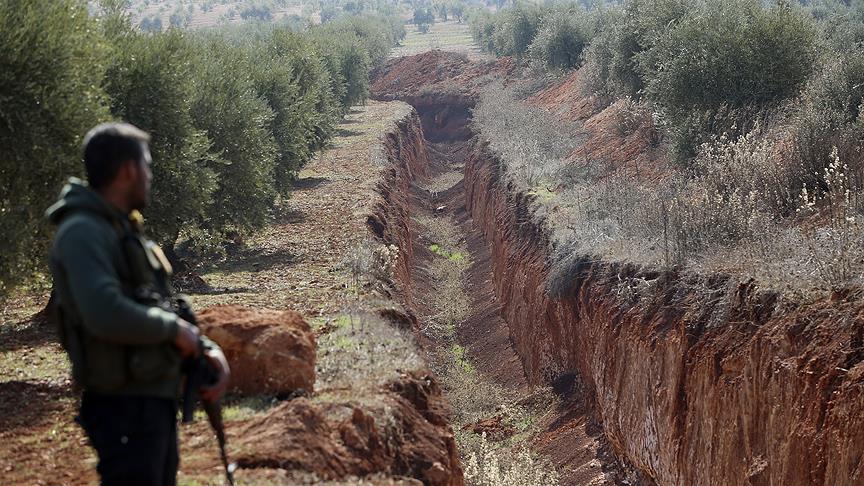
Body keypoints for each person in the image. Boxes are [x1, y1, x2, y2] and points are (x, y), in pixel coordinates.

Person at [45, 122, 230, 486]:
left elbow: (156, 304)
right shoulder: (83, 232)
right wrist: (176, 331)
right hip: (122, 407)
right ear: (129, 170)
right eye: (147, 165)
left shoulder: (121, 231)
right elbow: (104, 311)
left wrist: (205, 349)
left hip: (148, 401)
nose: (150, 175)